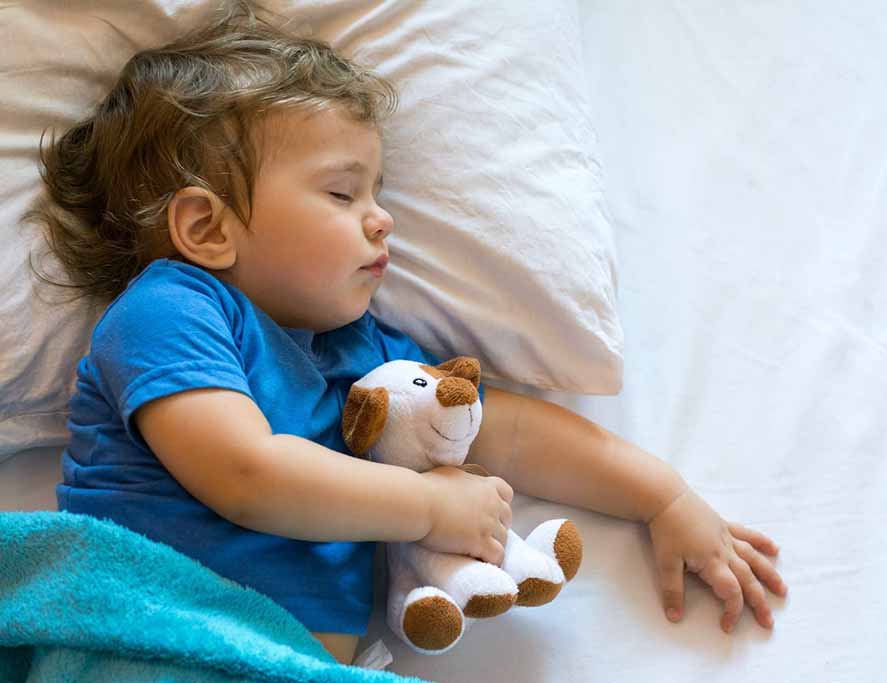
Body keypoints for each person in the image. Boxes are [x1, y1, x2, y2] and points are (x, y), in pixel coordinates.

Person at [28, 1, 787, 667]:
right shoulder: (170, 309)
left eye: (378, 191)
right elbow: (246, 474)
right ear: (206, 228)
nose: (381, 218)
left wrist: (662, 496)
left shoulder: (362, 353)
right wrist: (427, 506)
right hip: (144, 633)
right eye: (341, 192)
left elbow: (506, 432)